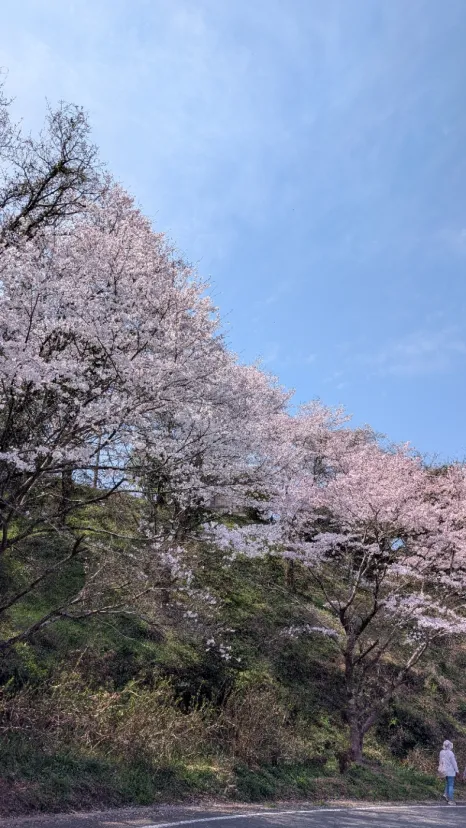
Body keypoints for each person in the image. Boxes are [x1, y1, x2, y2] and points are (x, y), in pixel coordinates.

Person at [438, 740, 459, 804]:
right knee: (451, 785)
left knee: (447, 783)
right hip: (451, 771)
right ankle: (451, 800)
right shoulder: (450, 753)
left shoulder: (441, 752)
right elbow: (454, 763)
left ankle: (446, 795)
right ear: (450, 745)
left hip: (444, 771)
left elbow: (440, 761)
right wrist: (457, 771)